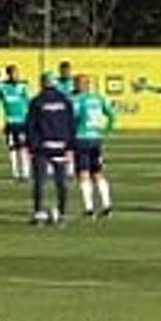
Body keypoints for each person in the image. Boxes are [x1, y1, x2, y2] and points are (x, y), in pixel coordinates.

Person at [27, 71, 75, 226]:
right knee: (60, 182)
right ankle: (62, 214)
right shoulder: (65, 100)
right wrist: (69, 145)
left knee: (40, 181)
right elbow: (71, 124)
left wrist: (31, 146)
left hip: (42, 147)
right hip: (60, 146)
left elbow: (31, 126)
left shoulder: (37, 101)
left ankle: (39, 213)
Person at [72, 74, 117, 219]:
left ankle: (89, 209)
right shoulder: (98, 98)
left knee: (83, 173)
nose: (75, 86)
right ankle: (107, 206)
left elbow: (74, 117)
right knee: (98, 173)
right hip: (96, 139)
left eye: (77, 83)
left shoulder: (77, 100)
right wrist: (106, 131)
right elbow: (112, 115)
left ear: (82, 85)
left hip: (81, 139)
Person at [0, 65, 32, 182]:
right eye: (14, 73)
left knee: (24, 148)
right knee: (12, 148)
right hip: (10, 122)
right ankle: (16, 173)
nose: (16, 76)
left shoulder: (22, 87)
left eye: (17, 73)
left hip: (23, 122)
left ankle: (25, 173)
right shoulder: (3, 87)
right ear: (9, 74)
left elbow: (28, 103)